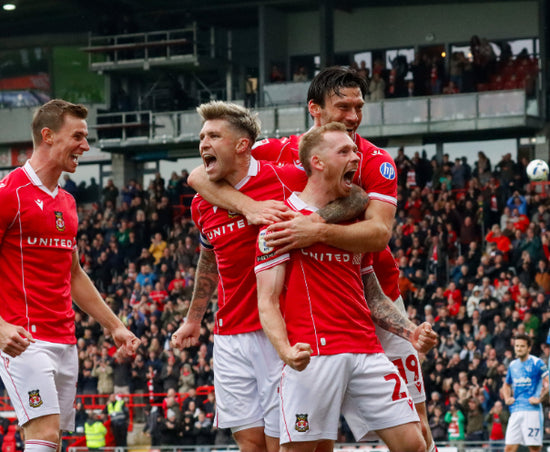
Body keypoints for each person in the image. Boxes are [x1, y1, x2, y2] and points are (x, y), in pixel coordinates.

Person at [187, 66, 438, 452]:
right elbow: (204, 175)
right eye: (343, 107)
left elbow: (378, 232)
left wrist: (315, 228)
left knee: (416, 432)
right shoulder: (282, 161)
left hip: (376, 306)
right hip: (313, 332)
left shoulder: (373, 160)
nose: (354, 117)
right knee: (307, 442)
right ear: (315, 110)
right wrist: (250, 207)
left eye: (359, 107)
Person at [255, 123, 437, 452]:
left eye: (355, 150)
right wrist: (285, 350)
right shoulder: (279, 224)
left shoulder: (355, 225)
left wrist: (409, 331)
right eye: (345, 151)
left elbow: (373, 295)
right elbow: (266, 301)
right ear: (317, 162)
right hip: (315, 355)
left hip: (368, 351)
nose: (356, 156)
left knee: (415, 443)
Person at [0, 99, 140, 452]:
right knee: (44, 434)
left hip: (65, 341)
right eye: (77, 136)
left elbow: (74, 273)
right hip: (23, 339)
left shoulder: (67, 202)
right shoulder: (8, 194)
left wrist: (115, 325)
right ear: (47, 136)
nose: (86, 146)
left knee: (52, 441)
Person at [170, 101, 307, 452]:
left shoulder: (287, 179)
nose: (203, 144)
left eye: (214, 135)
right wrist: (193, 320)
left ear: (242, 145)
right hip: (230, 336)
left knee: (283, 441)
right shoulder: (202, 203)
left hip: (279, 332)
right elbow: (209, 261)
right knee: (248, 441)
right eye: (201, 137)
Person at [502, 333, 549, 452]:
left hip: (532, 411)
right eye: (517, 346)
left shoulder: (537, 363)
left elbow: (548, 383)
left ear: (529, 348)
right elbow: (506, 384)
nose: (518, 349)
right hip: (515, 411)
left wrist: (539, 399)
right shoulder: (513, 365)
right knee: (509, 448)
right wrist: (507, 398)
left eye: (522, 346)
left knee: (534, 448)